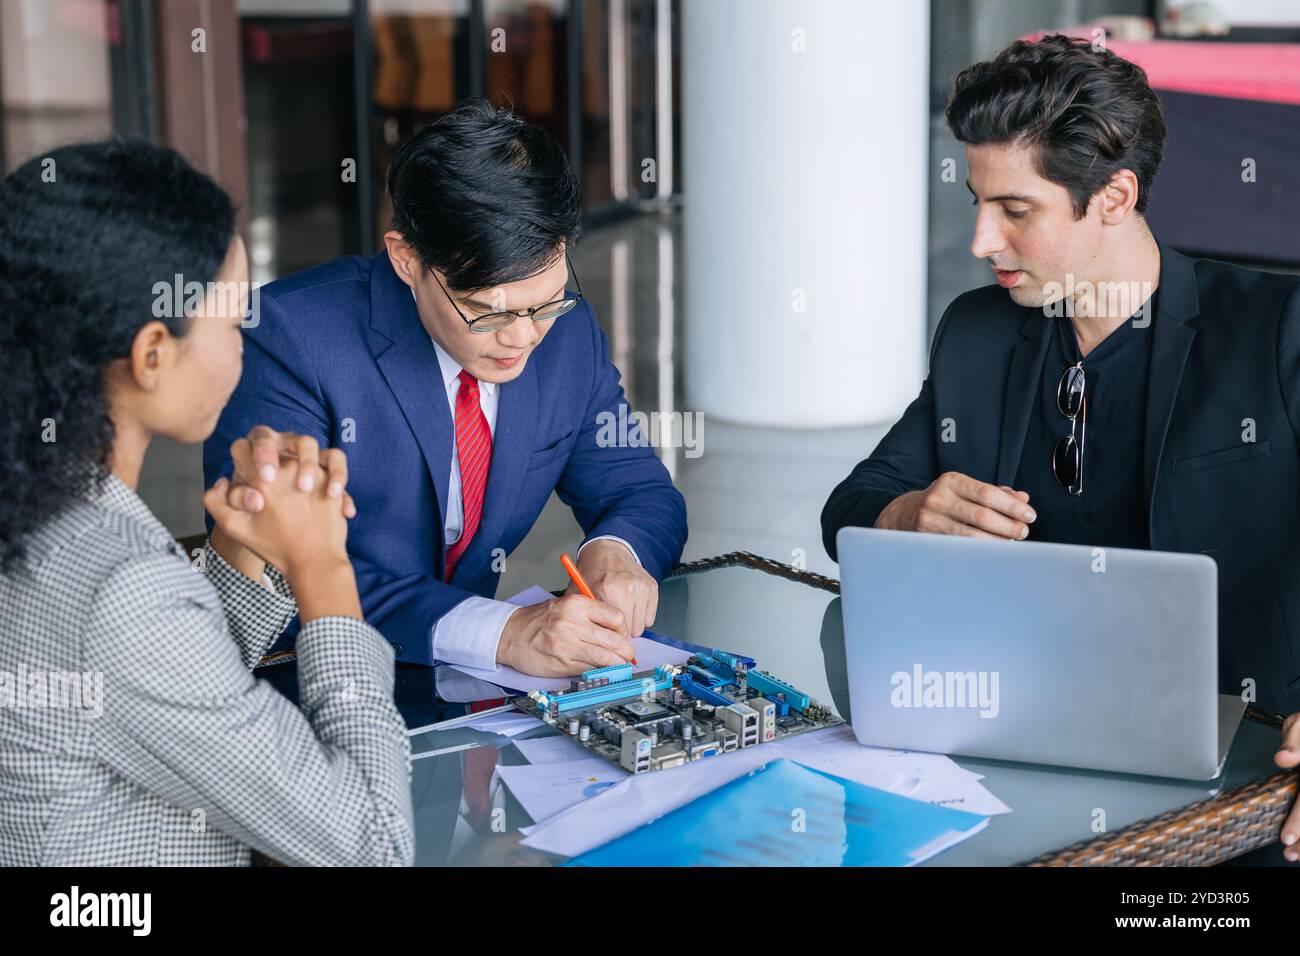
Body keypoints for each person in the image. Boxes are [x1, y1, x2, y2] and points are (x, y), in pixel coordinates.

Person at [821, 34, 1300, 860]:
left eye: (1015, 210)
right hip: (1014, 749)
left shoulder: (1274, 329)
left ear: (1115, 195)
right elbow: (851, 508)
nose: (980, 241)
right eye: (977, 202)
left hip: (1242, 772)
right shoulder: (976, 333)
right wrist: (907, 512)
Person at [0, 140, 414, 866]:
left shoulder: (38, 498)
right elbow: (372, 845)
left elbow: (156, 684)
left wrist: (241, 555)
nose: (246, 343)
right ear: (153, 353)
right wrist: (323, 572)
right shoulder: (118, 586)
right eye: (231, 320)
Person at [204, 100, 688, 677]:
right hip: (323, 676)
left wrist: (615, 553)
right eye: (486, 312)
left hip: (471, 693)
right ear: (407, 259)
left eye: (547, 303)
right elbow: (276, 567)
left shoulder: (564, 329)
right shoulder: (290, 337)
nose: (524, 338)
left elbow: (638, 489)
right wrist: (500, 632)